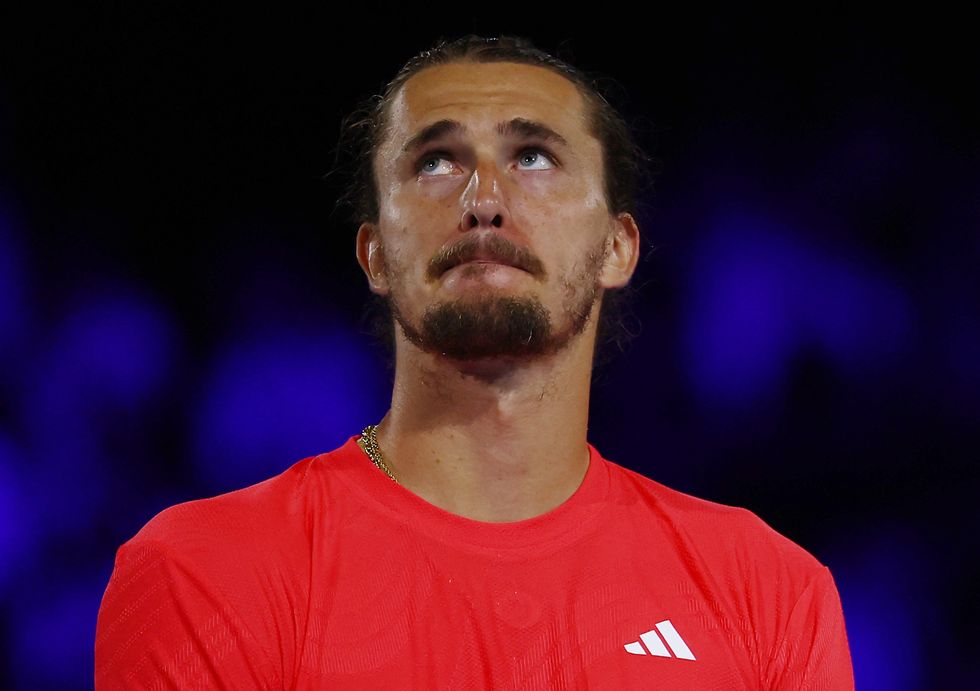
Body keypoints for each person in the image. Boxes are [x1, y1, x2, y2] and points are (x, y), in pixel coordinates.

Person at [95, 35, 855, 689]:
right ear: (376, 253)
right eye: (435, 162)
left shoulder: (767, 591)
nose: (484, 196)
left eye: (533, 156)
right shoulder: (206, 572)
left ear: (618, 246)